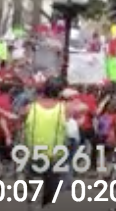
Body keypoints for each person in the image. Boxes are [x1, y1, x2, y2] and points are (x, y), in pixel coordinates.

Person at [21, 77, 68, 209]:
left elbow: (17, 117)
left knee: (36, 193)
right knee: (50, 193)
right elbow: (83, 107)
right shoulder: (64, 108)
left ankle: (35, 204)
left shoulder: (30, 108)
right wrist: (67, 96)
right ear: (59, 91)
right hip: (55, 157)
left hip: (35, 155)